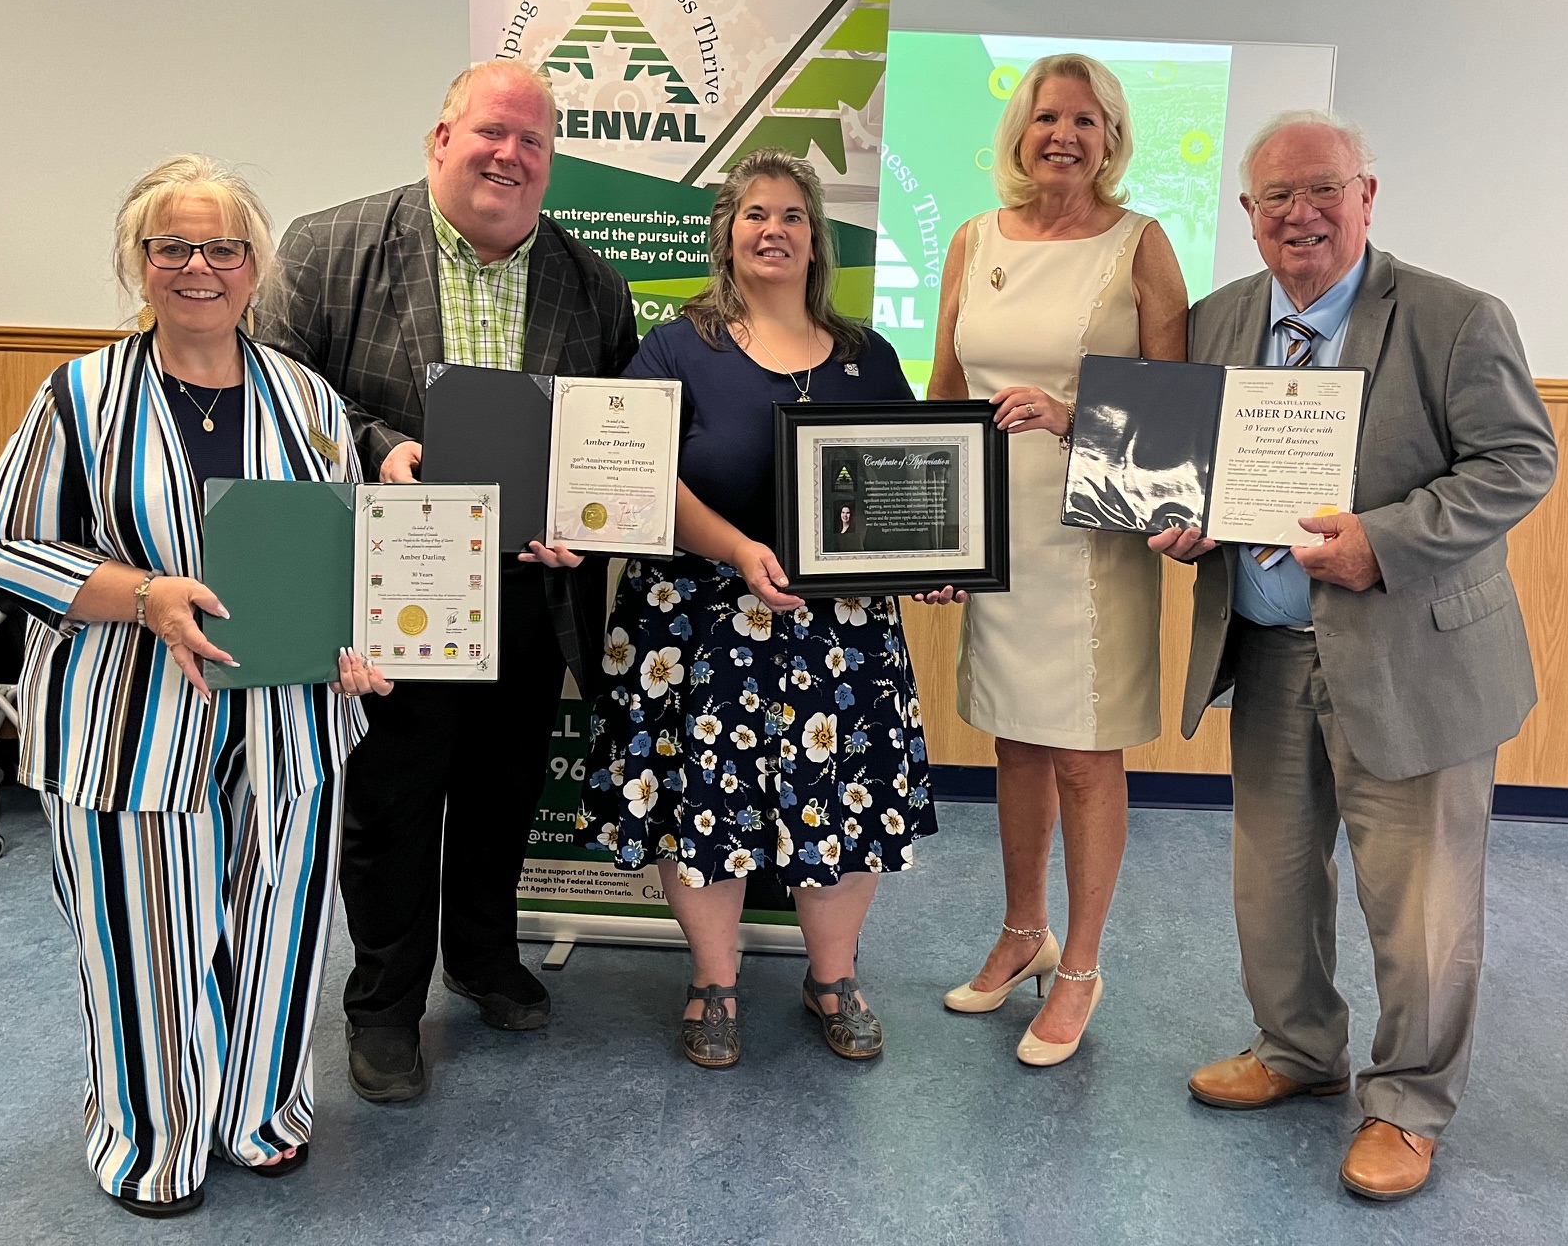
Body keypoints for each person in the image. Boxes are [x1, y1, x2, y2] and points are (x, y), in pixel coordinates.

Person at [0, 156, 392, 1218]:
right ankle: (151, 1139)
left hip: (290, 717)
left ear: (257, 269)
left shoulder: (308, 399)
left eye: (224, 248)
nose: (199, 266)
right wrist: (141, 592)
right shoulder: (80, 395)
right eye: (174, 247)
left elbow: (348, 552)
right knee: (140, 932)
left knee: (281, 922)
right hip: (127, 720)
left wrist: (358, 638)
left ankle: (258, 1113)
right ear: (139, 264)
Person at [1151, 110, 1556, 1201]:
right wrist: (1187, 522)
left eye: (1323, 189)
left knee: (1421, 907)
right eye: (1277, 197)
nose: (1302, 214)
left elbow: (1519, 463)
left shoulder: (1454, 318)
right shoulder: (1216, 320)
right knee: (1272, 884)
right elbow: (1197, 474)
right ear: (1246, 215)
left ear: (1367, 196)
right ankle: (1297, 1052)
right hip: (1273, 646)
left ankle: (1410, 1102)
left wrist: (1386, 541)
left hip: (1413, 658)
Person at [260, 60, 637, 1103]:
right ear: (439, 140)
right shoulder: (329, 248)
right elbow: (275, 394)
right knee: (391, 801)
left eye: (532, 142)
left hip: (526, 591)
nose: (509, 156)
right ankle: (383, 1006)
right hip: (393, 585)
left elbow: (611, 442)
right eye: (491, 133)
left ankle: (482, 958)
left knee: (503, 792)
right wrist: (376, 444)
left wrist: (585, 520)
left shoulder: (591, 282)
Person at [575, 148, 937, 1069]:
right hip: (698, 617)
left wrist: (934, 561)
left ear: (817, 241)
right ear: (725, 237)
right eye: (753, 215)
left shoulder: (868, 355)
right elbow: (636, 476)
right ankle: (713, 982)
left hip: (841, 631)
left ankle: (833, 978)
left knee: (845, 807)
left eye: (792, 216)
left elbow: (913, 481)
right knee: (703, 807)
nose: (773, 230)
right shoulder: (675, 346)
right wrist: (738, 550)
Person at [926, 53, 1188, 1066]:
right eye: (1046, 118)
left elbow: (1177, 414)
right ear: (1019, 134)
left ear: (1111, 138)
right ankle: (1020, 933)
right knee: (1015, 741)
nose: (1063, 136)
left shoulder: (1141, 246)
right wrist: (934, 537)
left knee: (1084, 752)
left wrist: (1076, 417)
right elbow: (948, 396)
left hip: (1091, 536)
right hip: (997, 533)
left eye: (1085, 120)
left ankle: (1080, 965)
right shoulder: (972, 240)